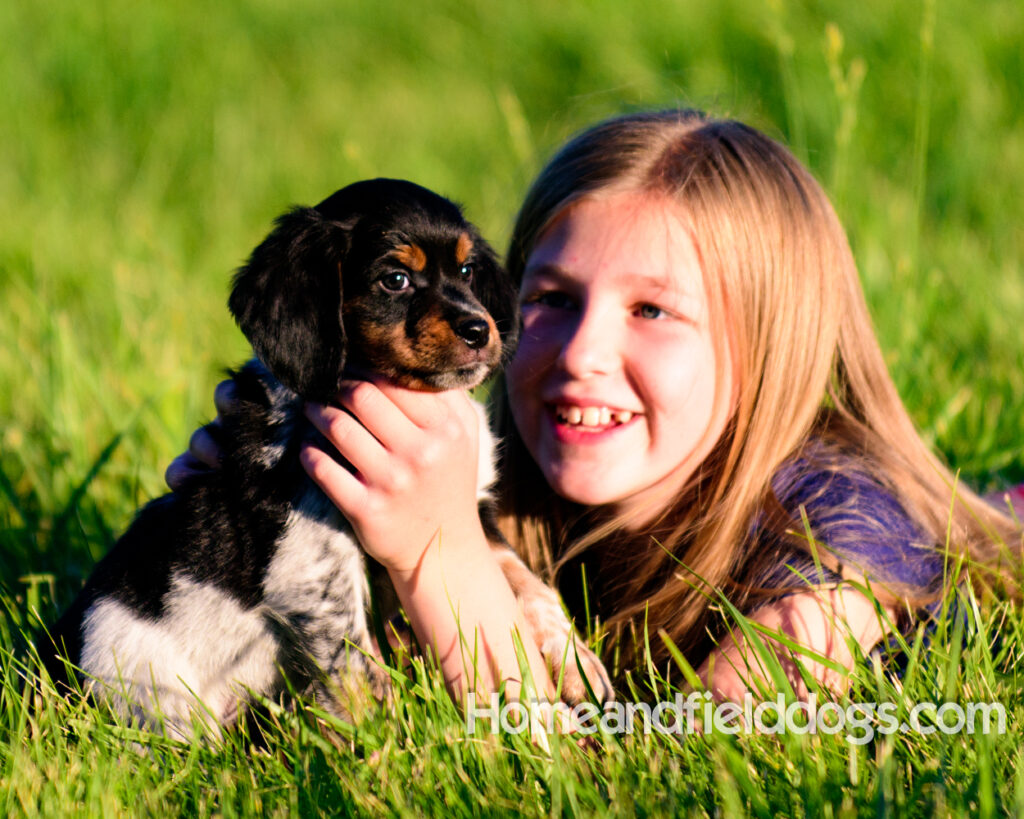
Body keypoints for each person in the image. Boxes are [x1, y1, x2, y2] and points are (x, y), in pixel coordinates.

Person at [168, 109, 1023, 703]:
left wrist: (443, 557)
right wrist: (273, 520)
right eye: (550, 299)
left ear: (770, 351)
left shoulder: (836, 558)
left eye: (651, 311)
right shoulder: (526, 484)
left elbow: (647, 775)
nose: (580, 354)